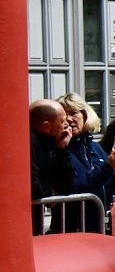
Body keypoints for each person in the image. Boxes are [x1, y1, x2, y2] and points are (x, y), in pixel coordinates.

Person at [55, 93, 115, 233]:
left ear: (85, 115)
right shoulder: (59, 150)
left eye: (73, 113)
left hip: (101, 225)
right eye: (63, 115)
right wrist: (107, 167)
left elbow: (112, 186)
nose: (69, 119)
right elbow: (75, 186)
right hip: (74, 228)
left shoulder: (94, 147)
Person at [29, 99, 75, 235]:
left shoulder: (52, 144)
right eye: (62, 121)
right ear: (46, 126)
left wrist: (63, 149)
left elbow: (65, 185)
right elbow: (31, 184)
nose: (67, 125)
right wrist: (50, 192)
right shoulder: (30, 142)